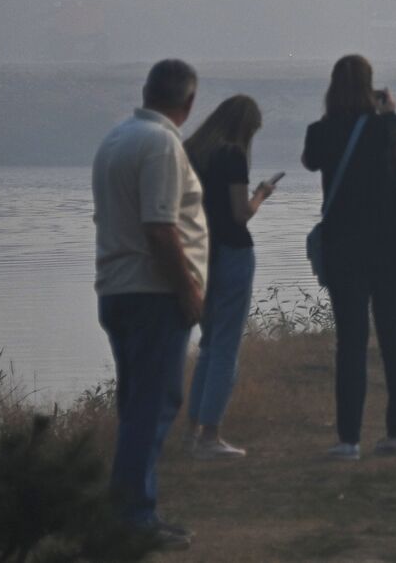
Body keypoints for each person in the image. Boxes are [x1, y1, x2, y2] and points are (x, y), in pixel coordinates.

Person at [91, 59, 206, 550]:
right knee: (153, 404)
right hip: (153, 292)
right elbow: (160, 228)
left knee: (139, 404)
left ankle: (132, 509)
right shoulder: (162, 144)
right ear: (189, 103)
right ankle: (133, 517)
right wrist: (188, 290)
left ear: (146, 91)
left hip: (119, 287)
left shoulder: (116, 138)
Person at [302, 54, 396, 460]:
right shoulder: (388, 127)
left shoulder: (321, 131)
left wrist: (333, 116)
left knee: (350, 342)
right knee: (394, 336)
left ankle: (348, 440)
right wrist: (389, 113)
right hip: (394, 248)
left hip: (344, 248)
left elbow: (310, 160)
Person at [182, 95, 274, 458]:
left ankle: (191, 432)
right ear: (245, 127)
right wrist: (261, 196)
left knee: (207, 346)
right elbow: (240, 215)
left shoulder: (192, 151)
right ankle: (210, 436)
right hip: (233, 252)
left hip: (201, 254)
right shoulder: (232, 155)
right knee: (225, 347)